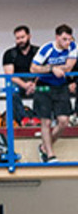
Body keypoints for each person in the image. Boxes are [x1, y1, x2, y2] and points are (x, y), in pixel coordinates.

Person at [31, 24, 76, 163]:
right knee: (46, 121)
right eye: (64, 39)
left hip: (60, 86)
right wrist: (51, 69)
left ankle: (44, 146)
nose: (67, 43)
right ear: (57, 37)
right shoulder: (47, 48)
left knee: (64, 121)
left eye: (69, 39)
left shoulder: (72, 47)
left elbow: (69, 67)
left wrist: (55, 69)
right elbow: (33, 68)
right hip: (44, 87)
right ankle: (50, 154)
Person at [2, 26, 39, 125]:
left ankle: (37, 118)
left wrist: (34, 84)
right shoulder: (9, 54)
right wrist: (24, 85)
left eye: (22, 37)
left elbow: (43, 71)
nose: (20, 40)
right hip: (18, 83)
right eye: (17, 38)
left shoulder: (38, 52)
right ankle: (24, 119)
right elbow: (9, 75)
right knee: (11, 90)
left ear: (29, 36)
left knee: (46, 89)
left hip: (36, 83)